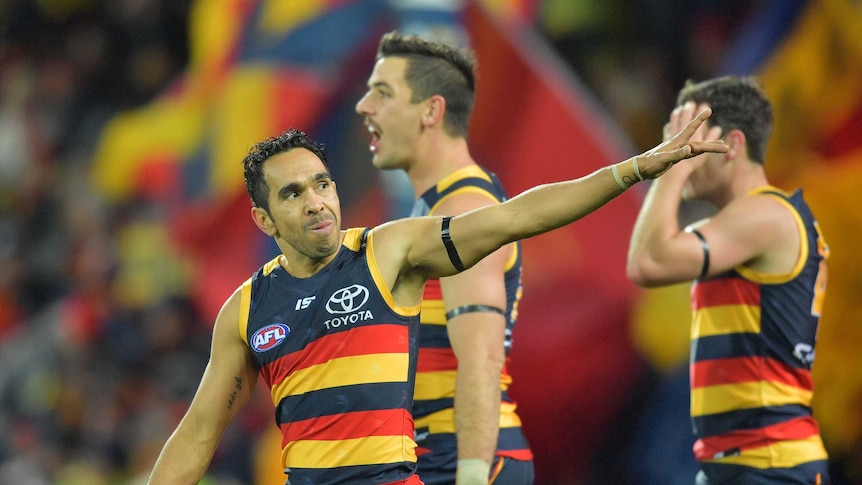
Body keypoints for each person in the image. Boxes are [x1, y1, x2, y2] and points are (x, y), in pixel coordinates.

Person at [147, 114, 726, 484]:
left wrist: (634, 169)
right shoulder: (246, 310)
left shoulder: (388, 253)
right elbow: (198, 433)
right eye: (294, 194)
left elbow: (517, 215)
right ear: (262, 218)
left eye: (322, 183)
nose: (318, 201)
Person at [626, 76, 830, 484]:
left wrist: (669, 167)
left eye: (691, 138)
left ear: (733, 146)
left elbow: (647, 262)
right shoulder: (749, 223)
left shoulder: (765, 217)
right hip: (744, 460)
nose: (681, 148)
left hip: (766, 460)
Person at [354, 31, 532, 484]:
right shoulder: (432, 208)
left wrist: (471, 476)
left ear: (432, 111)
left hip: (467, 461)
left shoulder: (463, 209)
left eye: (382, 91)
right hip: (434, 458)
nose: (364, 106)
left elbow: (482, 358)